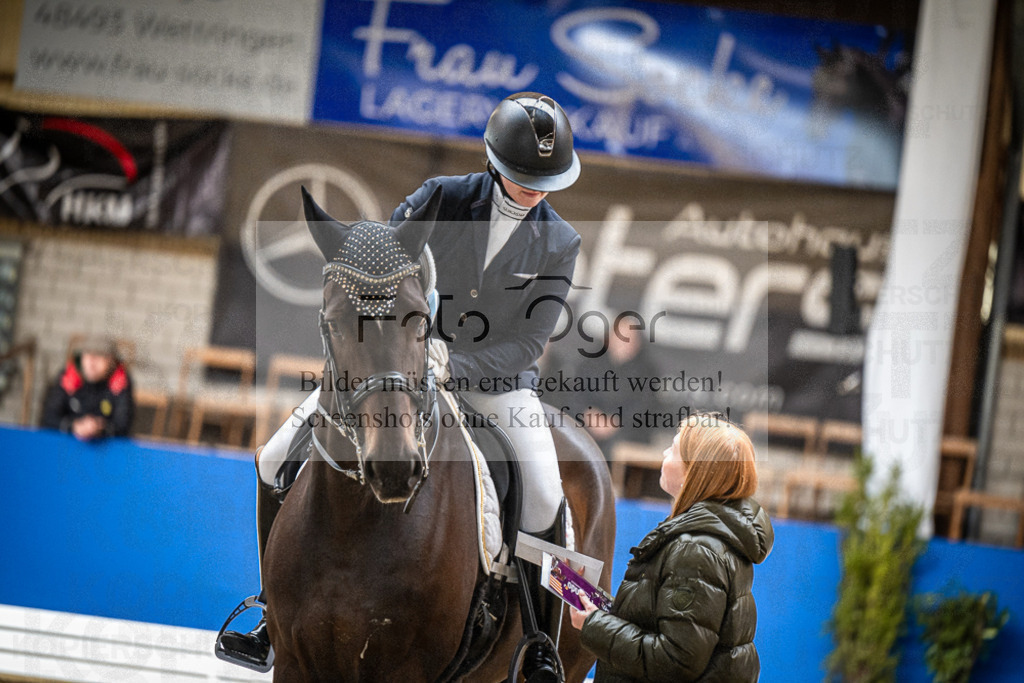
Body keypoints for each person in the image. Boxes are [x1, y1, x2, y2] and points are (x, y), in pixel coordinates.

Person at [217, 92, 583, 680]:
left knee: (544, 494)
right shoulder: (439, 199)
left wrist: (452, 364)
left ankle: (542, 643)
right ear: (495, 164)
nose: (536, 189)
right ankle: (271, 612)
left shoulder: (560, 242)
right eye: (523, 176)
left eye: (546, 179)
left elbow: (530, 342)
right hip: (396, 367)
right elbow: (376, 271)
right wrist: (408, 349)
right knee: (274, 457)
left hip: (497, 382)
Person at [570, 412, 774, 682]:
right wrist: (600, 610)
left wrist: (594, 625)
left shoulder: (697, 550)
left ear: (695, 472)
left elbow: (674, 661)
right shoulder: (706, 538)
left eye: (674, 449)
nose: (665, 453)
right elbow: (661, 625)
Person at [41, 336, 134, 440]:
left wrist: (101, 428)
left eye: (99, 356)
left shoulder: (120, 381)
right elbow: (48, 417)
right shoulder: (69, 376)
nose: (91, 362)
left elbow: (123, 425)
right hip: (65, 445)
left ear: (111, 361)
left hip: (105, 449)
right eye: (87, 354)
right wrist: (74, 426)